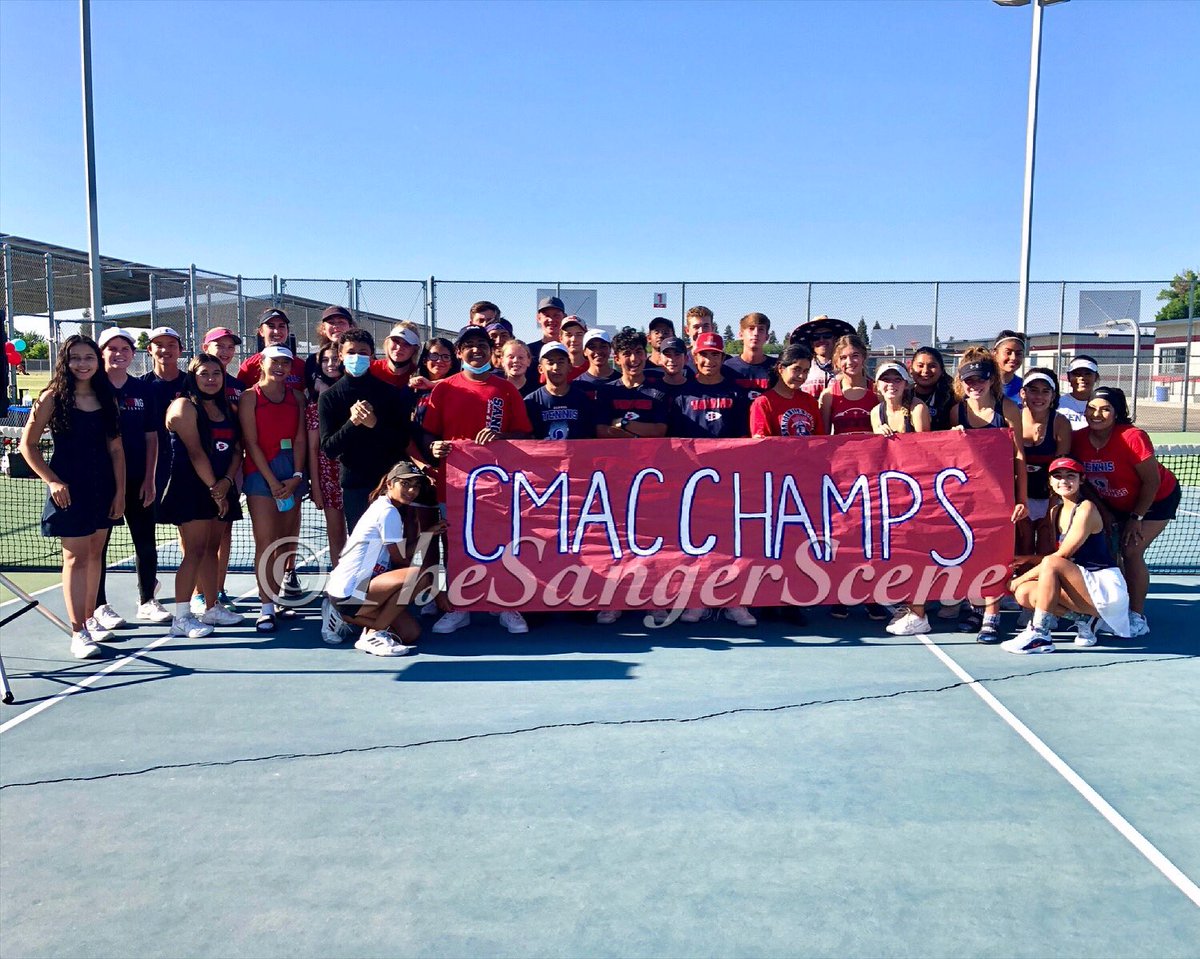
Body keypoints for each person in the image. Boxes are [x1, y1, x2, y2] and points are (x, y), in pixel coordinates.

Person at [422, 325, 533, 635]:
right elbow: (429, 432)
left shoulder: (505, 389)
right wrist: (433, 446)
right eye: (468, 345)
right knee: (453, 541)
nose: (475, 350)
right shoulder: (444, 389)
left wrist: (501, 437)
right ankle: (460, 605)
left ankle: (507, 604)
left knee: (502, 541)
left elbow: (526, 434)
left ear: (491, 351)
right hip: (454, 483)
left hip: (498, 483)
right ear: (459, 353)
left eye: (481, 344)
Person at [20, 335, 125, 659]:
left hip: (102, 488)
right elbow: (28, 445)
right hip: (69, 490)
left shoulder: (107, 398)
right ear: (66, 362)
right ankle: (77, 631)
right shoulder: (52, 397)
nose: (83, 364)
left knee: (95, 554)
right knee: (76, 558)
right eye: (75, 358)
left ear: (97, 361)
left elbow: (116, 449)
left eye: (88, 357)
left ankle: (90, 619)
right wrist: (52, 482)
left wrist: (120, 492)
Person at [1071, 386, 1180, 637]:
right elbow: (1084, 481)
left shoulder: (1132, 437)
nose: (1096, 414)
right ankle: (1115, 610)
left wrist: (1135, 518)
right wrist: (1106, 514)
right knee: (1109, 551)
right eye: (1092, 408)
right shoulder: (1078, 439)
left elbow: (1151, 482)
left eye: (1105, 409)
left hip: (1155, 500)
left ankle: (1136, 615)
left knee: (1131, 551)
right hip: (1112, 503)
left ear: (1117, 413)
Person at [667, 331, 755, 628]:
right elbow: (671, 442)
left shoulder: (736, 394)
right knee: (694, 542)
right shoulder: (680, 395)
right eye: (703, 354)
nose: (708, 360)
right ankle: (697, 599)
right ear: (694, 357)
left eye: (715, 354)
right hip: (691, 484)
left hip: (729, 481)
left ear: (722, 357)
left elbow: (747, 438)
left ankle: (733, 600)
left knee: (732, 541)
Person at [1005, 457, 1130, 653]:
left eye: (1070, 476)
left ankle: (1040, 633)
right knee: (1024, 593)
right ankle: (1084, 619)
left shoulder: (1086, 508)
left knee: (1042, 570)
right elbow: (1059, 557)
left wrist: (1018, 578)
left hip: (1106, 589)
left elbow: (1060, 558)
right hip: (1081, 584)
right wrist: (1029, 559)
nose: (1063, 481)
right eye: (1057, 476)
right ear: (1050, 482)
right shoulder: (1055, 510)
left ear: (1082, 479)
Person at [322, 460, 445, 656]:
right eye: (405, 484)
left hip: (363, 588)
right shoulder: (388, 512)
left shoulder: (387, 507)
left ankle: (343, 616)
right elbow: (402, 560)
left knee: (410, 633)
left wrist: (428, 533)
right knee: (420, 577)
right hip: (350, 591)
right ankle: (373, 634)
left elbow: (400, 555)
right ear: (389, 484)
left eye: (416, 486)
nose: (411, 490)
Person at [161, 355, 244, 638]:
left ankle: (211, 607)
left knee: (211, 549)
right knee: (194, 551)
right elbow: (196, 452)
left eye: (216, 373)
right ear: (193, 377)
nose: (211, 379)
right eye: (204, 373)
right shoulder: (183, 406)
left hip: (222, 486)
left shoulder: (229, 408)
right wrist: (215, 489)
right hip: (192, 488)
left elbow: (236, 451)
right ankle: (181, 617)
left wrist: (227, 482)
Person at [949, 349, 1028, 641]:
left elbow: (1019, 455)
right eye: (968, 380)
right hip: (967, 499)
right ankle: (973, 607)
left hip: (1000, 495)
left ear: (991, 379)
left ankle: (992, 614)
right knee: (970, 552)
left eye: (979, 379)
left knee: (996, 554)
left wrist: (1020, 499)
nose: (974, 385)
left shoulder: (1007, 409)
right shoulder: (956, 412)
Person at [93, 327, 166, 632]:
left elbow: (152, 438)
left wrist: (150, 479)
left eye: (125, 349)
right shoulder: (92, 389)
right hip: (100, 480)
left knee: (145, 543)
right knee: (99, 547)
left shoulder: (143, 390)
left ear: (132, 354)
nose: (119, 354)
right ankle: (99, 606)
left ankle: (147, 600)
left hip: (138, 477)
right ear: (102, 354)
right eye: (113, 349)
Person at [319, 327, 416, 532]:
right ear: (341, 356)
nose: (357, 357)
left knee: (392, 548)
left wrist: (374, 424)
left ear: (372, 355)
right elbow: (329, 448)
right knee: (364, 548)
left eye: (363, 353)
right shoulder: (329, 397)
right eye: (351, 352)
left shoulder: (389, 393)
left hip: (389, 483)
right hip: (355, 484)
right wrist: (352, 423)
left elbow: (401, 440)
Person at [239, 344, 308, 632]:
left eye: (286, 363)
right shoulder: (248, 398)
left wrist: (295, 476)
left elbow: (301, 438)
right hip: (259, 476)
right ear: (262, 364)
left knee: (284, 541)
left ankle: (278, 597)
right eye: (274, 362)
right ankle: (265, 607)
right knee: (265, 540)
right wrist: (271, 481)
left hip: (290, 475)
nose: (280, 367)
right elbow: (250, 442)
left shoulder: (298, 397)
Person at [869, 362, 934, 636]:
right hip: (891, 494)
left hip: (918, 491)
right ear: (878, 384)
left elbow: (928, 450)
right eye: (886, 379)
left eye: (897, 379)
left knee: (916, 552)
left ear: (906, 384)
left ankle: (919, 613)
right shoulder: (876, 412)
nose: (891, 384)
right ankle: (907, 604)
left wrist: (900, 441)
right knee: (892, 551)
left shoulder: (918, 409)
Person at [197, 326, 246, 615]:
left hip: (229, 469)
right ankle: (198, 592)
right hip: (196, 473)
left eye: (230, 347)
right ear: (206, 346)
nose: (225, 351)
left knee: (223, 529)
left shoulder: (238, 387)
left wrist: (228, 476)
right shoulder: (194, 383)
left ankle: (217, 588)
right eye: (219, 346)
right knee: (195, 534)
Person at [1018, 368, 1072, 556]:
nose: (1039, 396)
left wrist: (1051, 509)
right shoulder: (1012, 418)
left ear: (1053, 395)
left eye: (1045, 391)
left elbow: (1061, 472)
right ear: (1023, 393)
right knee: (1021, 553)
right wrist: (1019, 502)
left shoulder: (1060, 423)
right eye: (1033, 390)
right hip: (1019, 499)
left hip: (1048, 498)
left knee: (1045, 554)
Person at [306, 341, 348, 567]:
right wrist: (316, 487)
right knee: (336, 536)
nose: (331, 364)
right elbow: (314, 449)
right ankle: (339, 588)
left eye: (335, 358)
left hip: (357, 474)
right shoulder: (315, 405)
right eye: (325, 360)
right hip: (328, 477)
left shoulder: (355, 395)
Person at [140, 326, 187, 510]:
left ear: (180, 350)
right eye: (158, 345)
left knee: (186, 521)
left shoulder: (192, 383)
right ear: (149, 350)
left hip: (186, 463)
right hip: (151, 466)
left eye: (171, 345)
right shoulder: (140, 386)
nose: (165, 350)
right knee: (147, 519)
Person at [596, 327, 669, 440]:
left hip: (650, 456)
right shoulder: (606, 391)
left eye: (638, 352)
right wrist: (638, 436)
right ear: (617, 359)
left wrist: (624, 423)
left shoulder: (659, 389)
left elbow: (659, 430)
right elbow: (602, 431)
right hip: (617, 456)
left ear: (645, 355)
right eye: (627, 353)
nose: (634, 358)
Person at [525, 343, 599, 440]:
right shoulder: (531, 402)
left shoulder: (582, 399)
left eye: (561, 362)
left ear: (569, 367)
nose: (556, 367)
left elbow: (590, 436)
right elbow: (528, 439)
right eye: (550, 363)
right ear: (540, 369)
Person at [749, 343, 823, 437]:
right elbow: (762, 444)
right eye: (797, 369)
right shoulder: (763, 403)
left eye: (805, 371)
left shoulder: (810, 401)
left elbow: (820, 439)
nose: (801, 376)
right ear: (781, 368)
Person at [819, 333, 879, 437]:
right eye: (843, 358)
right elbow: (824, 436)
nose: (849, 362)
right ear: (836, 362)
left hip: (873, 452)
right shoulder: (828, 396)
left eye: (855, 356)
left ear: (863, 357)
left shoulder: (877, 391)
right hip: (842, 453)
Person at [237, 308, 306, 389]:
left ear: (287, 331)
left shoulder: (300, 365)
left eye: (281, 326)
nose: (276, 331)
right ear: (261, 331)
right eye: (271, 326)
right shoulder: (249, 366)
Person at [788, 316, 856, 397]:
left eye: (827, 335)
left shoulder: (847, 366)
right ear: (811, 343)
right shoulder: (802, 368)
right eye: (816, 337)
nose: (821, 340)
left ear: (835, 339)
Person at [722, 312, 776, 397]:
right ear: (741, 335)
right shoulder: (727, 367)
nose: (756, 333)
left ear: (766, 337)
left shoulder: (776, 367)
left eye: (761, 329)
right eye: (751, 328)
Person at [304, 305, 354, 389]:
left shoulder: (359, 356)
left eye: (341, 322)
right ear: (323, 329)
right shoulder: (313, 360)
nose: (336, 326)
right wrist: (319, 383)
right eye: (331, 322)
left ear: (351, 327)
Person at [909, 346, 955, 432]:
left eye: (932, 366)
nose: (925, 370)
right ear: (911, 369)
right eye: (920, 365)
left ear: (941, 370)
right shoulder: (903, 395)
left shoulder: (953, 397)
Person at [371, 324, 422, 389]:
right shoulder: (371, 368)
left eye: (407, 344)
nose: (399, 347)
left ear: (415, 349)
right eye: (395, 341)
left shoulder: (419, 375)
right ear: (387, 343)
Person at [574, 329, 620, 400]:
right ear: (584, 352)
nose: (598, 351)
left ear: (610, 349)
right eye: (592, 347)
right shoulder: (576, 385)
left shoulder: (622, 381)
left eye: (603, 346)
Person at [1057, 355, 1098, 431]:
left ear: (1096, 377)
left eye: (1087, 373)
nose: (1082, 378)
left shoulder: (1104, 405)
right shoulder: (1058, 403)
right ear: (1068, 377)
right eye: (1077, 374)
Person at [528, 296, 566, 366]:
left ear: (564, 317)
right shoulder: (529, 351)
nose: (551, 320)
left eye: (556, 315)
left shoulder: (569, 349)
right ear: (539, 318)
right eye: (547, 315)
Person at [992, 330, 1026, 404]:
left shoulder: (1025, 387)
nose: (1013, 357)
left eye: (1018, 354)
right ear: (995, 354)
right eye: (1008, 353)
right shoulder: (982, 385)